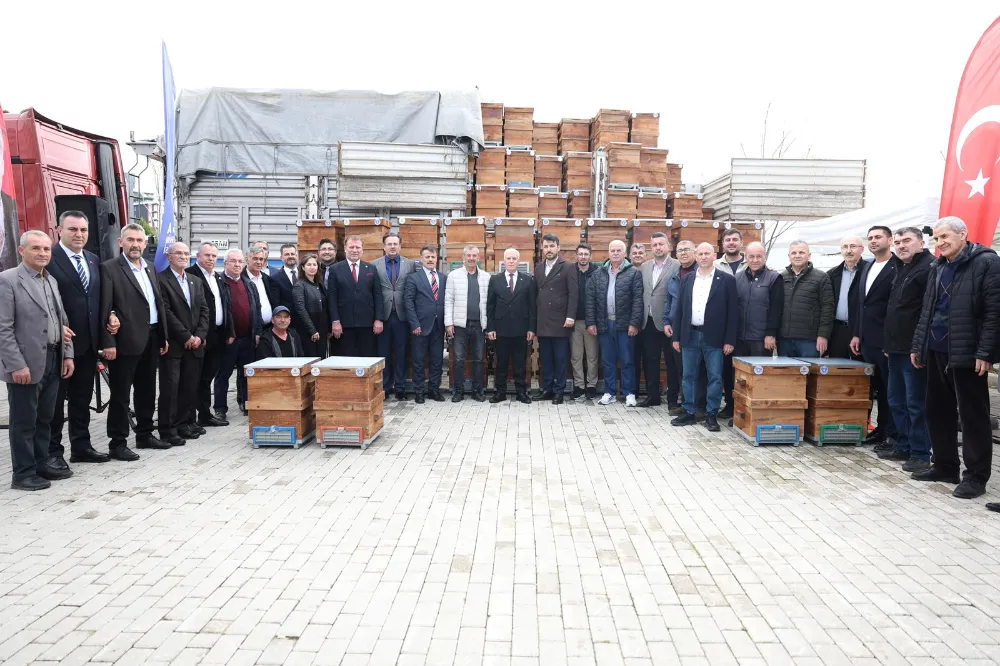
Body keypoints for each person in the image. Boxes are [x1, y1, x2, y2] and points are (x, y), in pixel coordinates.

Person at [910, 217, 1000, 499]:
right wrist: (919, 345)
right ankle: (945, 465)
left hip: (967, 353)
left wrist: (986, 352)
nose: (940, 243)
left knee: (973, 416)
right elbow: (928, 310)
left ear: (963, 234)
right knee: (937, 411)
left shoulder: (987, 263)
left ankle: (975, 477)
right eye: (936, 239)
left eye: (945, 237)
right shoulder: (938, 267)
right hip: (936, 350)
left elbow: (994, 312)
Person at [0, 231, 75, 490]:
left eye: (46, 249)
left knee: (45, 418)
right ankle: (23, 474)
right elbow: (3, 329)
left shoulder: (49, 279)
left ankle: (42, 464)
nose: (42, 253)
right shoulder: (8, 280)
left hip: (53, 358)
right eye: (36, 248)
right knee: (24, 421)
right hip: (26, 363)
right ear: (22, 251)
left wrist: (68, 354)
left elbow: (62, 320)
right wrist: (16, 365)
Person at [46, 211, 116, 467]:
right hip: (59, 344)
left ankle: (81, 446)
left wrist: (111, 316)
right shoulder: (49, 259)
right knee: (54, 404)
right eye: (73, 229)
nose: (79, 234)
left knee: (81, 399)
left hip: (88, 344)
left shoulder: (93, 260)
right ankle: (53, 452)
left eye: (83, 230)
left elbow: (99, 300)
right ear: (59, 230)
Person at [99, 223, 170, 459]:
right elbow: (105, 307)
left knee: (147, 390)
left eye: (140, 240)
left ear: (145, 243)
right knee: (121, 395)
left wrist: (163, 335)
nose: (135, 245)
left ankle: (145, 434)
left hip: (152, 337)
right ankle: (117, 443)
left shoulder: (149, 267)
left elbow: (157, 303)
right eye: (130, 240)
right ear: (121, 242)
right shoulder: (110, 268)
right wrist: (108, 342)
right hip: (125, 341)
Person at [880, 227, 934, 471]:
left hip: (914, 350)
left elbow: (926, 313)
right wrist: (888, 344)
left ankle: (921, 453)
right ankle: (904, 445)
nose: (901, 245)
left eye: (907, 241)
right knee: (896, 400)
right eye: (899, 242)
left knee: (915, 403)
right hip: (895, 348)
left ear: (921, 243)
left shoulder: (928, 268)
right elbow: (895, 311)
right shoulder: (902, 268)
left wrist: (918, 346)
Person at [670, 242, 739, 433]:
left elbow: (733, 313)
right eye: (700, 254)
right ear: (695, 256)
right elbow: (680, 309)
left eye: (707, 253)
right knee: (688, 375)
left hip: (714, 337)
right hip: (690, 335)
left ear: (714, 255)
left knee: (715, 377)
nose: (703, 257)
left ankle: (711, 414)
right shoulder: (688, 279)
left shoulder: (726, 280)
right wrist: (676, 336)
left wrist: (729, 340)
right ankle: (689, 411)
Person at [850, 225, 901, 448]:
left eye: (878, 237)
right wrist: (856, 334)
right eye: (870, 237)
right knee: (876, 388)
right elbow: (862, 305)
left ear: (890, 240)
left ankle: (894, 435)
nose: (873, 241)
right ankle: (880, 429)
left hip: (887, 341)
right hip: (867, 340)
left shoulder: (898, 267)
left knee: (892, 390)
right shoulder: (868, 267)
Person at [157, 242, 210, 445]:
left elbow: (204, 310)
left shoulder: (195, 281)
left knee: (189, 386)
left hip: (195, 344)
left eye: (186, 253)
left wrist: (199, 335)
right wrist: (186, 336)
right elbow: (166, 312)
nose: (183, 256)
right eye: (178, 253)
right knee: (171, 389)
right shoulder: (161, 280)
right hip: (174, 344)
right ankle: (168, 430)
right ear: (169, 257)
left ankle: (184, 424)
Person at [724, 242, 784, 416]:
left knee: (758, 377)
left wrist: (770, 334)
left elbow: (776, 308)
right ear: (746, 258)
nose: (755, 260)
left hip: (761, 338)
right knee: (737, 376)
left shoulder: (774, 278)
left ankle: (756, 414)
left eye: (759, 256)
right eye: (751, 256)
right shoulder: (737, 278)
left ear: (765, 257)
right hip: (739, 337)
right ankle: (735, 410)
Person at [586, 240, 644, 407]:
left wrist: (634, 323)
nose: (616, 253)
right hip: (605, 324)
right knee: (608, 360)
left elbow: (638, 300)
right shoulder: (599, 273)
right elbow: (590, 300)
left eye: (619, 250)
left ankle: (629, 393)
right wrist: (591, 322)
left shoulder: (633, 273)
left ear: (625, 253)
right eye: (613, 250)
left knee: (627, 360)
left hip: (625, 325)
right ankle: (609, 392)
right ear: (608, 252)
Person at [216, 248, 263, 417]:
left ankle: (246, 404)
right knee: (223, 375)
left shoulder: (248, 283)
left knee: (246, 374)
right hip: (229, 338)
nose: (237, 265)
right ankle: (220, 409)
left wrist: (257, 332)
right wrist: (226, 333)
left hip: (247, 338)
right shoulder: (218, 282)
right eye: (233, 261)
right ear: (225, 263)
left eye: (239, 261)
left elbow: (257, 309)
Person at [187, 242, 228, 427]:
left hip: (217, 335)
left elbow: (225, 305)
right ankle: (190, 419)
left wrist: (229, 330)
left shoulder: (217, 277)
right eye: (207, 255)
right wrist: (199, 334)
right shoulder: (190, 275)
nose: (211, 259)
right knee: (195, 379)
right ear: (198, 256)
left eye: (214, 256)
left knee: (207, 378)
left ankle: (204, 415)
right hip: (199, 336)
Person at [487, 248, 536, 404]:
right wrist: (491, 328)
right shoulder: (495, 280)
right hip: (501, 329)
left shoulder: (527, 280)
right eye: (508, 258)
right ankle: (500, 392)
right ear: (504, 261)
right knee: (501, 363)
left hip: (521, 329)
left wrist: (531, 328)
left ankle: (521, 392)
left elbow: (532, 307)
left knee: (520, 363)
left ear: (518, 261)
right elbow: (490, 306)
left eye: (514, 258)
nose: (511, 261)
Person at [534, 233, 578, 404]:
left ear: (558, 248)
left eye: (552, 246)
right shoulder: (538, 268)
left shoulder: (568, 267)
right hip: (543, 320)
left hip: (561, 321)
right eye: (546, 246)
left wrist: (570, 317)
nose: (549, 249)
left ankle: (559, 391)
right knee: (546, 359)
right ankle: (547, 389)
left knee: (560, 359)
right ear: (542, 248)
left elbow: (573, 294)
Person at [639, 232, 680, 408]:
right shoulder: (645, 267)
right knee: (650, 360)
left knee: (672, 362)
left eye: (661, 244)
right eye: (654, 245)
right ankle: (653, 396)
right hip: (648, 321)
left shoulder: (677, 266)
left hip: (669, 323)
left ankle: (672, 399)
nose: (658, 247)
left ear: (668, 246)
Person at [663, 240, 704, 416]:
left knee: (698, 370)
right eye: (680, 250)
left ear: (695, 252)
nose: (683, 253)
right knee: (682, 369)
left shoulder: (701, 273)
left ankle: (699, 406)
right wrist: (666, 321)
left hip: (695, 328)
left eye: (687, 250)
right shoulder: (675, 275)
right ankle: (687, 403)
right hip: (676, 328)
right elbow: (669, 300)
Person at [445, 245, 491, 402]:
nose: (471, 258)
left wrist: (488, 325)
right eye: (468, 255)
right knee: (458, 360)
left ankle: (477, 391)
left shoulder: (486, 277)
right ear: (463, 257)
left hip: (479, 325)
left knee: (479, 359)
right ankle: (458, 391)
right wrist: (448, 323)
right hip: (459, 326)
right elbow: (448, 300)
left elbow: (489, 303)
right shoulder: (453, 276)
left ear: (478, 258)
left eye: (474, 255)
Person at [328, 235, 384, 357]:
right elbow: (332, 297)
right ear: (345, 248)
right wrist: (335, 321)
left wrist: (378, 319)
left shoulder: (371, 268)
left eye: (357, 247)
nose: (354, 250)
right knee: (346, 359)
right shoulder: (335, 269)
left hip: (367, 324)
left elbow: (378, 295)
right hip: (344, 324)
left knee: (367, 358)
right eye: (351, 247)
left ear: (362, 250)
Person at [373, 233, 414, 399]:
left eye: (395, 244)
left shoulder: (410, 265)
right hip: (383, 316)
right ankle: (385, 387)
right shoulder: (374, 265)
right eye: (389, 244)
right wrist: (376, 318)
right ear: (384, 246)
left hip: (402, 316)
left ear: (400, 246)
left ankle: (400, 387)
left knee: (401, 353)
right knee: (383, 353)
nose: (392, 247)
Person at [778, 240, 835, 358]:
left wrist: (823, 335)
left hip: (810, 340)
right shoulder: (781, 277)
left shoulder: (821, 277)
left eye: (801, 252)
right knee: (785, 370)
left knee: (809, 370)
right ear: (789, 256)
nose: (797, 255)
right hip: (784, 340)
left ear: (809, 256)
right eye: (794, 253)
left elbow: (828, 308)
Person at [404, 246, 446, 404]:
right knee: (419, 360)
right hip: (420, 327)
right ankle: (419, 391)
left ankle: (434, 390)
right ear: (421, 259)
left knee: (437, 360)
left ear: (437, 259)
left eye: (433, 257)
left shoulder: (443, 278)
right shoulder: (413, 278)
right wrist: (414, 323)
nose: (430, 259)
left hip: (438, 326)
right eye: (427, 257)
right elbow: (408, 302)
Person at [827, 235, 867, 359]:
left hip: (861, 330)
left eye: (853, 246)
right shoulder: (832, 274)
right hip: (838, 331)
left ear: (862, 249)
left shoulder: (869, 271)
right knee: (837, 367)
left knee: (861, 367)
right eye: (845, 247)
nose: (848, 250)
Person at [570, 244, 600, 401]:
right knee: (576, 356)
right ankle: (579, 385)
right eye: (580, 254)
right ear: (576, 256)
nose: (583, 257)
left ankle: (591, 385)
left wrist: (594, 321)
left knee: (592, 355)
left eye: (586, 254)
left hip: (591, 322)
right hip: (574, 321)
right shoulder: (570, 271)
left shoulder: (597, 272)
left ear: (590, 256)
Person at [293, 253, 330, 359]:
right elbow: (300, 309)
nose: (312, 267)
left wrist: (328, 328)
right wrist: (312, 330)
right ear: (303, 267)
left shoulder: (320, 284)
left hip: (322, 327)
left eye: (314, 264)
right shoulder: (299, 285)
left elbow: (325, 307)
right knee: (311, 358)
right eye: (309, 265)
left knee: (322, 358)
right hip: (308, 329)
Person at [244, 246, 277, 329]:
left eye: (261, 259)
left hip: (268, 328)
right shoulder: (240, 279)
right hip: (249, 329)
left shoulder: (267, 279)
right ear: (247, 259)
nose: (259, 262)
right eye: (255, 258)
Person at [269, 243, 299, 316]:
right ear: (281, 258)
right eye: (287, 254)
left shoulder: (304, 274)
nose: (290, 256)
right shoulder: (275, 278)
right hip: (287, 319)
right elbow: (276, 304)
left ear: (296, 256)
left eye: (292, 254)